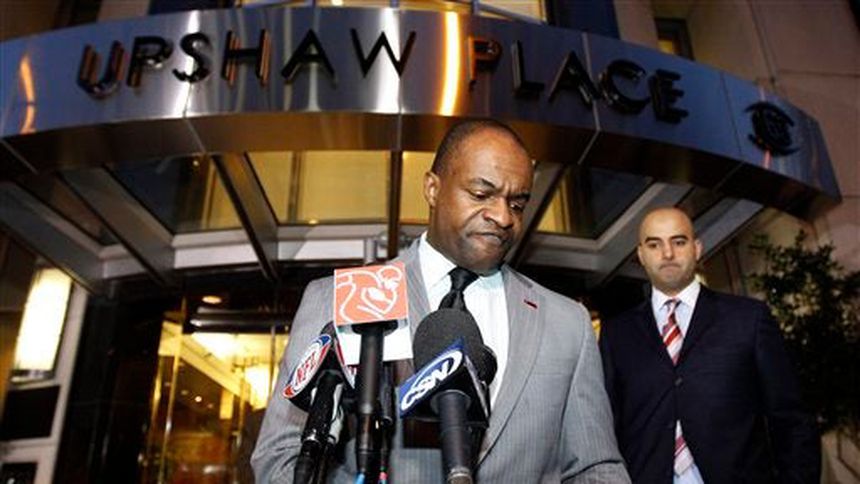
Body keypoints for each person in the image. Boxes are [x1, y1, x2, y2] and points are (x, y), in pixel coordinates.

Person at [252, 119, 630, 482]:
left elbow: (596, 468)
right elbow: (281, 458)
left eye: (517, 204)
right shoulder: (342, 298)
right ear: (432, 189)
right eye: (481, 194)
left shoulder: (567, 323)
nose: (502, 217)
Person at [599, 207, 821, 484]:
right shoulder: (616, 334)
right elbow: (605, 429)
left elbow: (791, 419)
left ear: (697, 248)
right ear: (641, 255)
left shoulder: (748, 319)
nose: (667, 253)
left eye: (679, 241)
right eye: (654, 244)